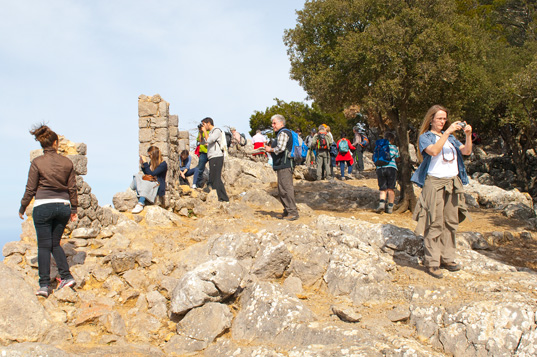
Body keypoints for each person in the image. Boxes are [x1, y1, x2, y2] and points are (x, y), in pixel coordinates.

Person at [411, 105, 472, 279]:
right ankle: (432, 262)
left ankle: (448, 258)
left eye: (445, 119)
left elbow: (466, 151)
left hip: (452, 183)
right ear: (431, 119)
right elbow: (434, 151)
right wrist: (447, 133)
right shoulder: (426, 137)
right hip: (434, 183)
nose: (443, 122)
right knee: (434, 222)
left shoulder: (452, 139)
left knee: (451, 221)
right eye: (439, 118)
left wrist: (468, 135)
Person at [19, 124, 77, 297]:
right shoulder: (67, 162)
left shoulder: (37, 163)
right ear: (55, 143)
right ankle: (66, 277)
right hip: (63, 207)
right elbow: (72, 188)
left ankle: (44, 285)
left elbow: (30, 188)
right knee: (54, 243)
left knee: (44, 246)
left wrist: (23, 206)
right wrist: (73, 208)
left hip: (43, 206)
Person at [265, 114, 299, 220]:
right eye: (272, 123)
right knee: (282, 188)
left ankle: (293, 212)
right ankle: (287, 210)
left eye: (274, 123)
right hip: (282, 164)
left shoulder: (283, 133)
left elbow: (281, 148)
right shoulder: (282, 133)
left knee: (286, 188)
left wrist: (270, 149)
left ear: (281, 123)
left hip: (285, 164)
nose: (272, 125)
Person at [130, 145, 168, 213]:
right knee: (137, 176)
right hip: (151, 182)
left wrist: (145, 163)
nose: (149, 157)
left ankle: (140, 203)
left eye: (149, 155)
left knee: (146, 183)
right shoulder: (151, 163)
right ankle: (133, 190)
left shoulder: (163, 164)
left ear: (153, 155)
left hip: (158, 185)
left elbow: (152, 174)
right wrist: (143, 165)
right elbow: (148, 174)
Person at [201, 117, 229, 202]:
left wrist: (205, 131)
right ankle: (221, 197)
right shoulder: (212, 132)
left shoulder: (216, 130)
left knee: (216, 178)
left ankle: (223, 198)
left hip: (217, 156)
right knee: (213, 178)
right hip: (213, 157)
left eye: (204, 124)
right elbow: (205, 141)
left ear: (208, 123)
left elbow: (209, 140)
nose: (203, 126)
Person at [375, 132, 400, 214]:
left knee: (382, 188)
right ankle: (390, 207)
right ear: (392, 140)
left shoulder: (379, 147)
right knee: (390, 188)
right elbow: (397, 158)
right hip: (391, 168)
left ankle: (381, 203)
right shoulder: (394, 147)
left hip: (380, 168)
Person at [195, 124, 208, 188]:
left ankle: (210, 184)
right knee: (200, 168)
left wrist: (205, 131)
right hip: (203, 152)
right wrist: (200, 132)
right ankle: (198, 184)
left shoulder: (210, 131)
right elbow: (200, 140)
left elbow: (208, 139)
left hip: (210, 151)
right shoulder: (201, 132)